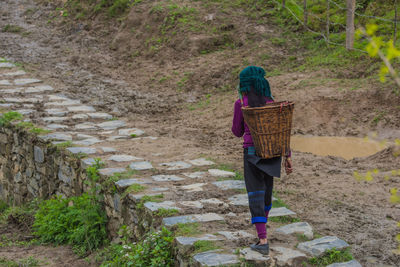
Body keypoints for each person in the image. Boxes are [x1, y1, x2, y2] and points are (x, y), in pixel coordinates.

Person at [231, 66, 293, 255]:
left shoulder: (241, 103)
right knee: (266, 194)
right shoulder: (272, 103)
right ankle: (262, 234)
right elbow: (281, 132)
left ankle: (263, 239)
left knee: (255, 194)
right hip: (272, 152)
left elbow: (237, 131)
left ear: (244, 84)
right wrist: (287, 156)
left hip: (252, 153)